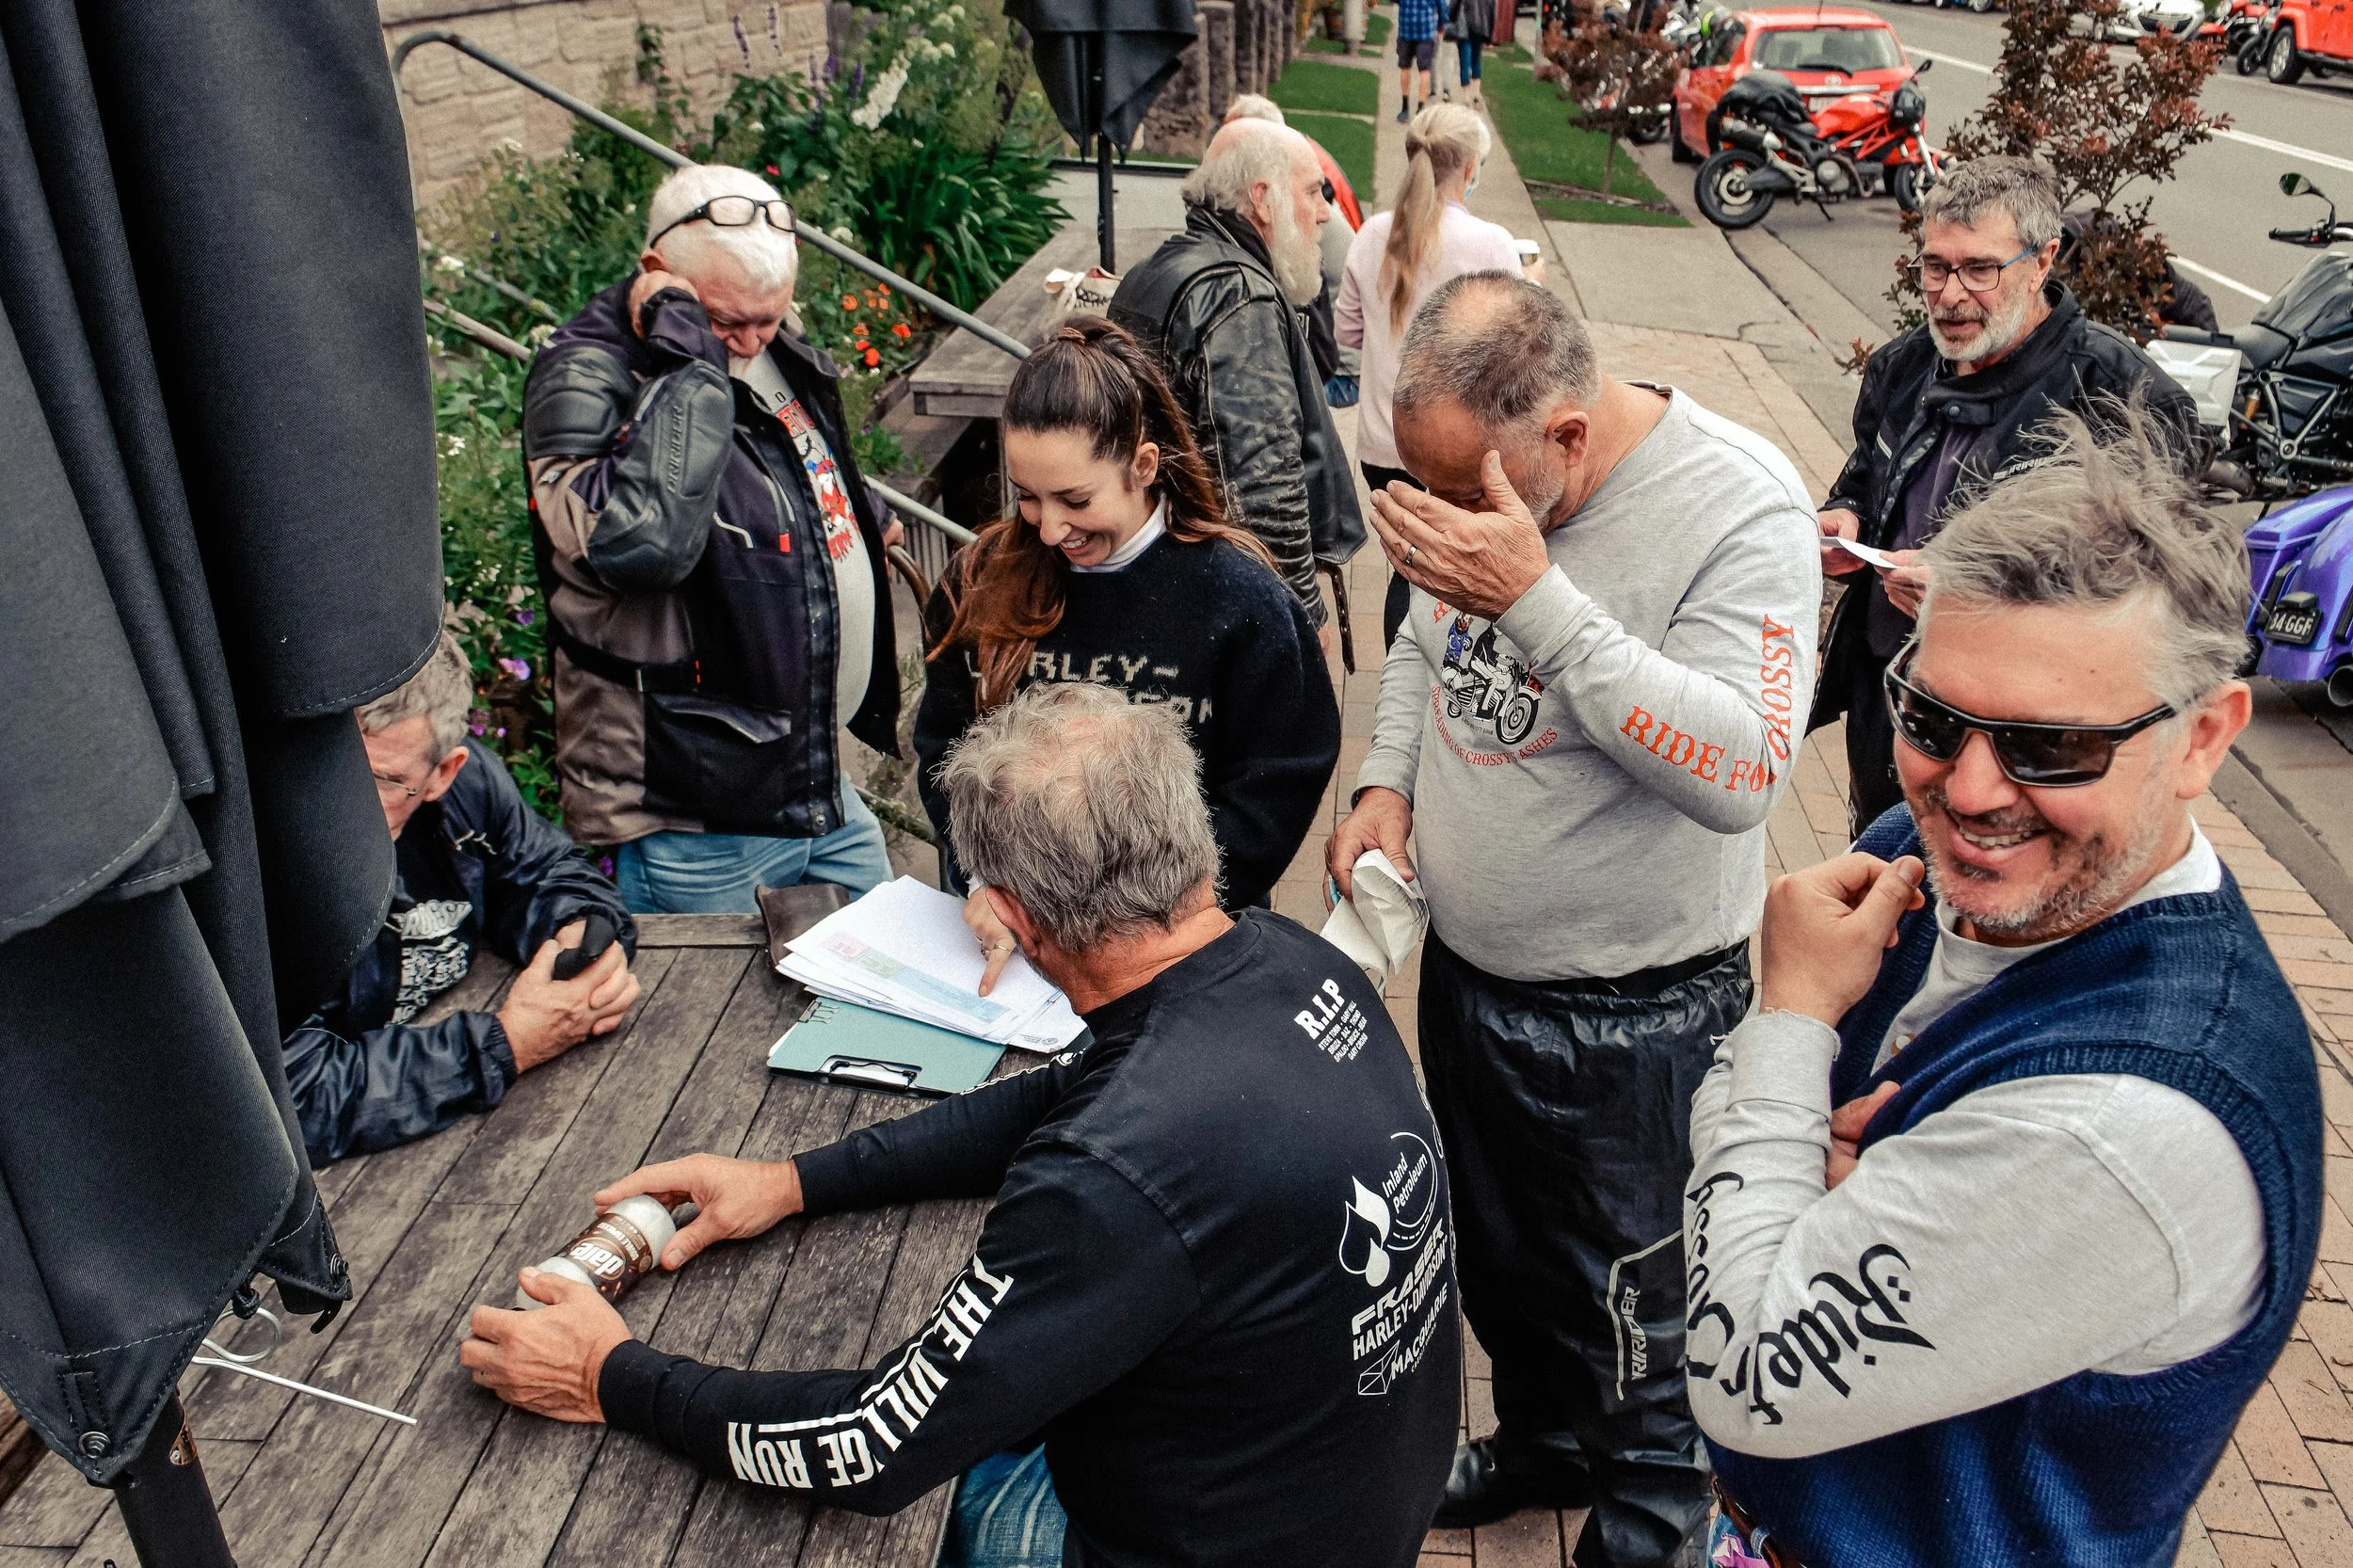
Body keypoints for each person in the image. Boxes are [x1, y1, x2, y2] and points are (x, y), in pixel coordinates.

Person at [458, 682, 1461, 1568]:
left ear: (1012, 919)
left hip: (1196, 1536)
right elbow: (1064, 1091)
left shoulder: (1114, 1168)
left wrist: (610, 1373)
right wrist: (793, 1180)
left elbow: (872, 1445)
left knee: (907, 1516)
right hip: (1339, 1497)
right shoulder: (1293, 960)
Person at [1689, 408, 2320, 1568]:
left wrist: (1785, 1028)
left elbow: (1741, 1370)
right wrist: (1786, 1166)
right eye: (1930, 716)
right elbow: (1723, 1158)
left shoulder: (2127, 1125)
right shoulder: (1914, 857)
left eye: (2053, 746)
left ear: (2201, 737)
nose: (1970, 791)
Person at [1329, 273, 1820, 1567]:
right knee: (1507, 1260)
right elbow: (1427, 641)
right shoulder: (1476, 491)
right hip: (1474, 974)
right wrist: (1386, 778)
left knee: (1640, 1291)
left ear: (1565, 435)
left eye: (1457, 491)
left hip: (1641, 1007)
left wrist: (1537, 595)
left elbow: (1743, 774)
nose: (1435, 518)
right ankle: (1549, 1439)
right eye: (1413, 482)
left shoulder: (1739, 507)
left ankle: (1659, 1500)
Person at [521, 163, 906, 913]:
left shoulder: (761, 336)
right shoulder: (586, 374)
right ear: (658, 273)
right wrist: (689, 352)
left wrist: (853, 513)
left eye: (771, 316)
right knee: (718, 1023)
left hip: (809, 777)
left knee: (889, 990)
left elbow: (787, 453)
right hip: (700, 812)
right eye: (728, 320)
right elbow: (640, 545)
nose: (753, 338)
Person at [913, 316, 1338, 949]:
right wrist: (983, 884)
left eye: (1075, 500)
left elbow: (1275, 785)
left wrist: (1146, 924)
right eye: (1027, 497)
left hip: (1180, 942)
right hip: (1017, 937)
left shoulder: (1242, 601)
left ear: (1143, 465)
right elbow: (945, 751)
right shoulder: (979, 580)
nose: (1049, 528)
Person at [1813, 155, 2199, 836]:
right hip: (1893, 698)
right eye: (1935, 266)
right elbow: (1869, 478)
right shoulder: (1902, 367)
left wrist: (1978, 590)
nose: (1950, 294)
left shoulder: (2122, 399)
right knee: (1884, 874)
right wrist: (1846, 519)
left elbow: (2157, 589)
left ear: (2043, 260)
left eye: (1979, 270)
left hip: (2022, 730)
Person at [284, 632, 640, 1164]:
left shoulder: (470, 790)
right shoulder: (268, 859)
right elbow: (292, 1099)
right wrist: (506, 1043)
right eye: (331, 770)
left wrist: (581, 937)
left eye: (383, 780)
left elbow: (546, 869)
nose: (345, 804)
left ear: (443, 773)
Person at [1110, 118, 1366, 649]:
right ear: (1263, 199)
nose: (1326, 212)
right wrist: (1298, 619)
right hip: (1216, 604)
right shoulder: (1237, 296)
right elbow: (1262, 490)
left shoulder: (1156, 268)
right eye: (1315, 191)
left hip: (1166, 584)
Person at [1337, 103, 1525, 649]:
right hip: (1456, 446)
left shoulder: (1371, 235)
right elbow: (1517, 348)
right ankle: (1433, 677)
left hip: (1381, 443)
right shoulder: (1490, 243)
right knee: (1445, 571)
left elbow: (1348, 332)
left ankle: (1404, 668)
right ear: (1469, 167)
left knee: (1407, 562)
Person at [1396, 0, 1448, 121]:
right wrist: (1440, 26)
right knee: (1424, 70)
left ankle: (1404, 109)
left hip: (1405, 31)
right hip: (1426, 33)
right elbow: (1443, 9)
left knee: (1405, 68)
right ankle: (1420, 108)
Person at [1447, 0, 1495, 109]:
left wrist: (1451, 20)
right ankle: (1476, 95)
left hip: (1465, 27)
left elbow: (1453, 6)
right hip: (1481, 27)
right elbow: (1492, 11)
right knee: (1476, 60)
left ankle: (1466, 97)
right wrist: (1490, 35)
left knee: (1465, 61)